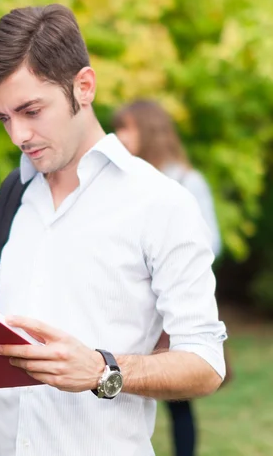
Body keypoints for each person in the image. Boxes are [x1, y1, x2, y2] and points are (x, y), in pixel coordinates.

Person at [0, 4, 227, 456]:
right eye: (3, 118)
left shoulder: (161, 203)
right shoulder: (7, 201)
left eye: (31, 110)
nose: (18, 135)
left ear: (83, 87)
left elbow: (206, 363)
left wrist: (101, 370)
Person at [113, 99, 222, 456]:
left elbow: (211, 243)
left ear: (148, 129)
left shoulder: (186, 181)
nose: (119, 136)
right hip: (132, 305)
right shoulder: (123, 182)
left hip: (169, 308)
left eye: (126, 128)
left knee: (178, 399)